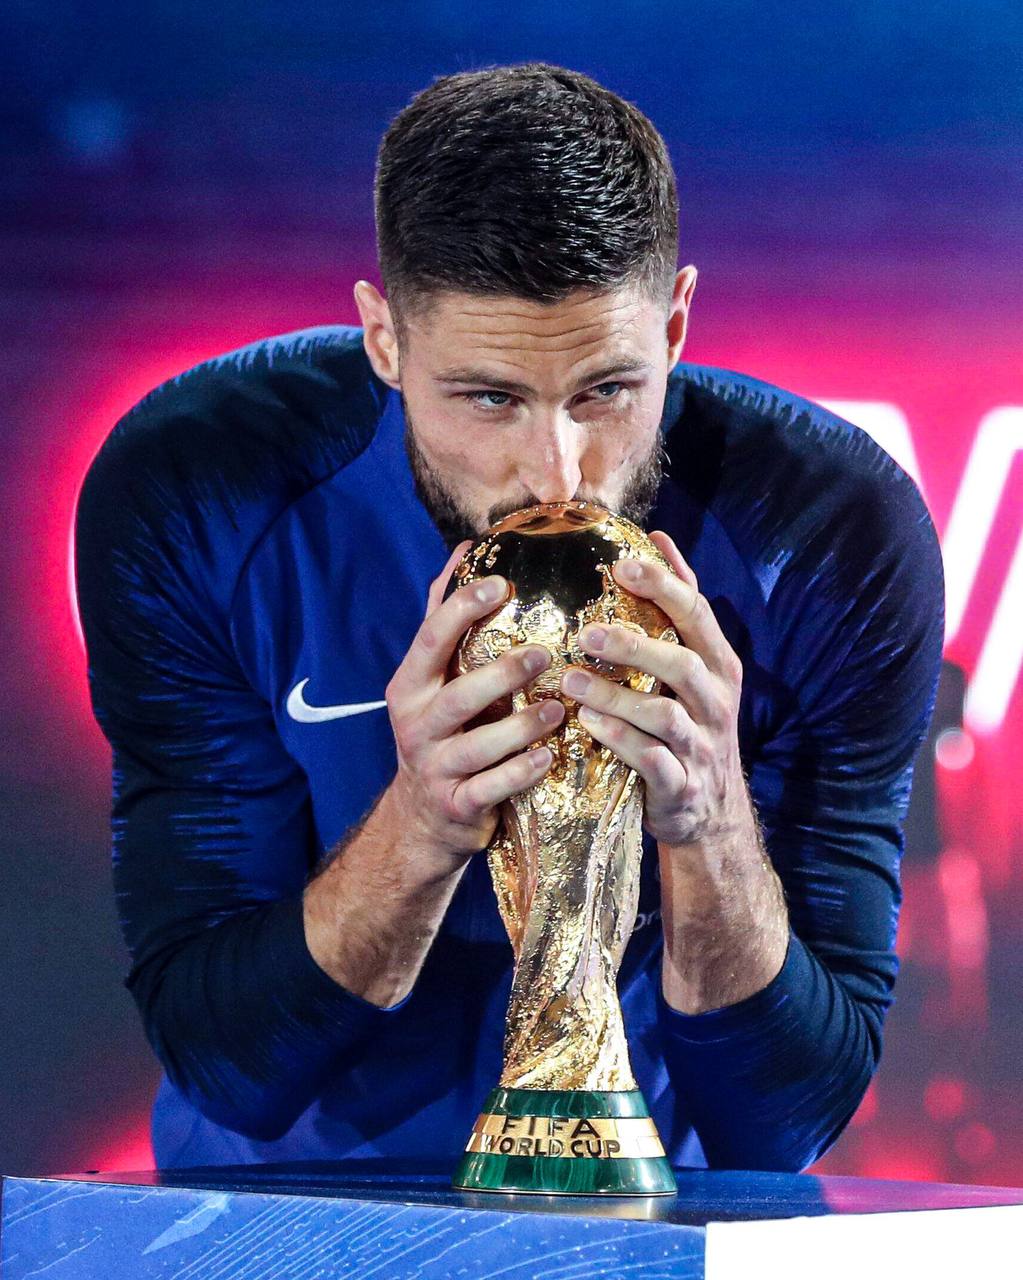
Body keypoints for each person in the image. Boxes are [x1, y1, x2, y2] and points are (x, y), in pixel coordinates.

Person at [74, 63, 944, 1173]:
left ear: (677, 322)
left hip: (653, 1208)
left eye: (606, 390)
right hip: (288, 1213)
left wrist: (710, 822)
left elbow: (787, 1121)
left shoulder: (828, 533)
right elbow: (230, 1064)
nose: (557, 472)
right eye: (490, 397)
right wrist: (419, 825)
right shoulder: (204, 491)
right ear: (384, 340)